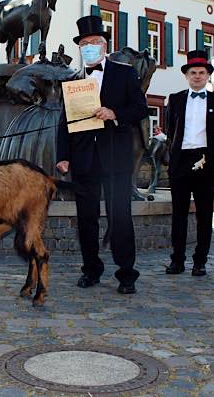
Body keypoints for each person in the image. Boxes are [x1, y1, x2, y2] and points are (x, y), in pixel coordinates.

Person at [56, 15, 149, 294]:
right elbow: (64, 121)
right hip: (84, 159)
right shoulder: (73, 79)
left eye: (94, 42)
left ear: (104, 45)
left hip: (115, 158)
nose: (89, 47)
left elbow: (140, 109)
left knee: (120, 217)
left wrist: (115, 113)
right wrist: (63, 155)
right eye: (84, 43)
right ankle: (91, 270)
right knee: (86, 219)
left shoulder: (124, 72)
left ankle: (126, 274)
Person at [164, 50, 214, 276]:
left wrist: (209, 154)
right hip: (181, 159)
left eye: (202, 72)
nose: (197, 76)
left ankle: (200, 260)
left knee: (204, 213)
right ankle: (177, 259)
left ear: (208, 75)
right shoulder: (175, 99)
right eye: (193, 72)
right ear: (186, 75)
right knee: (179, 213)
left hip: (205, 159)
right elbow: (171, 130)